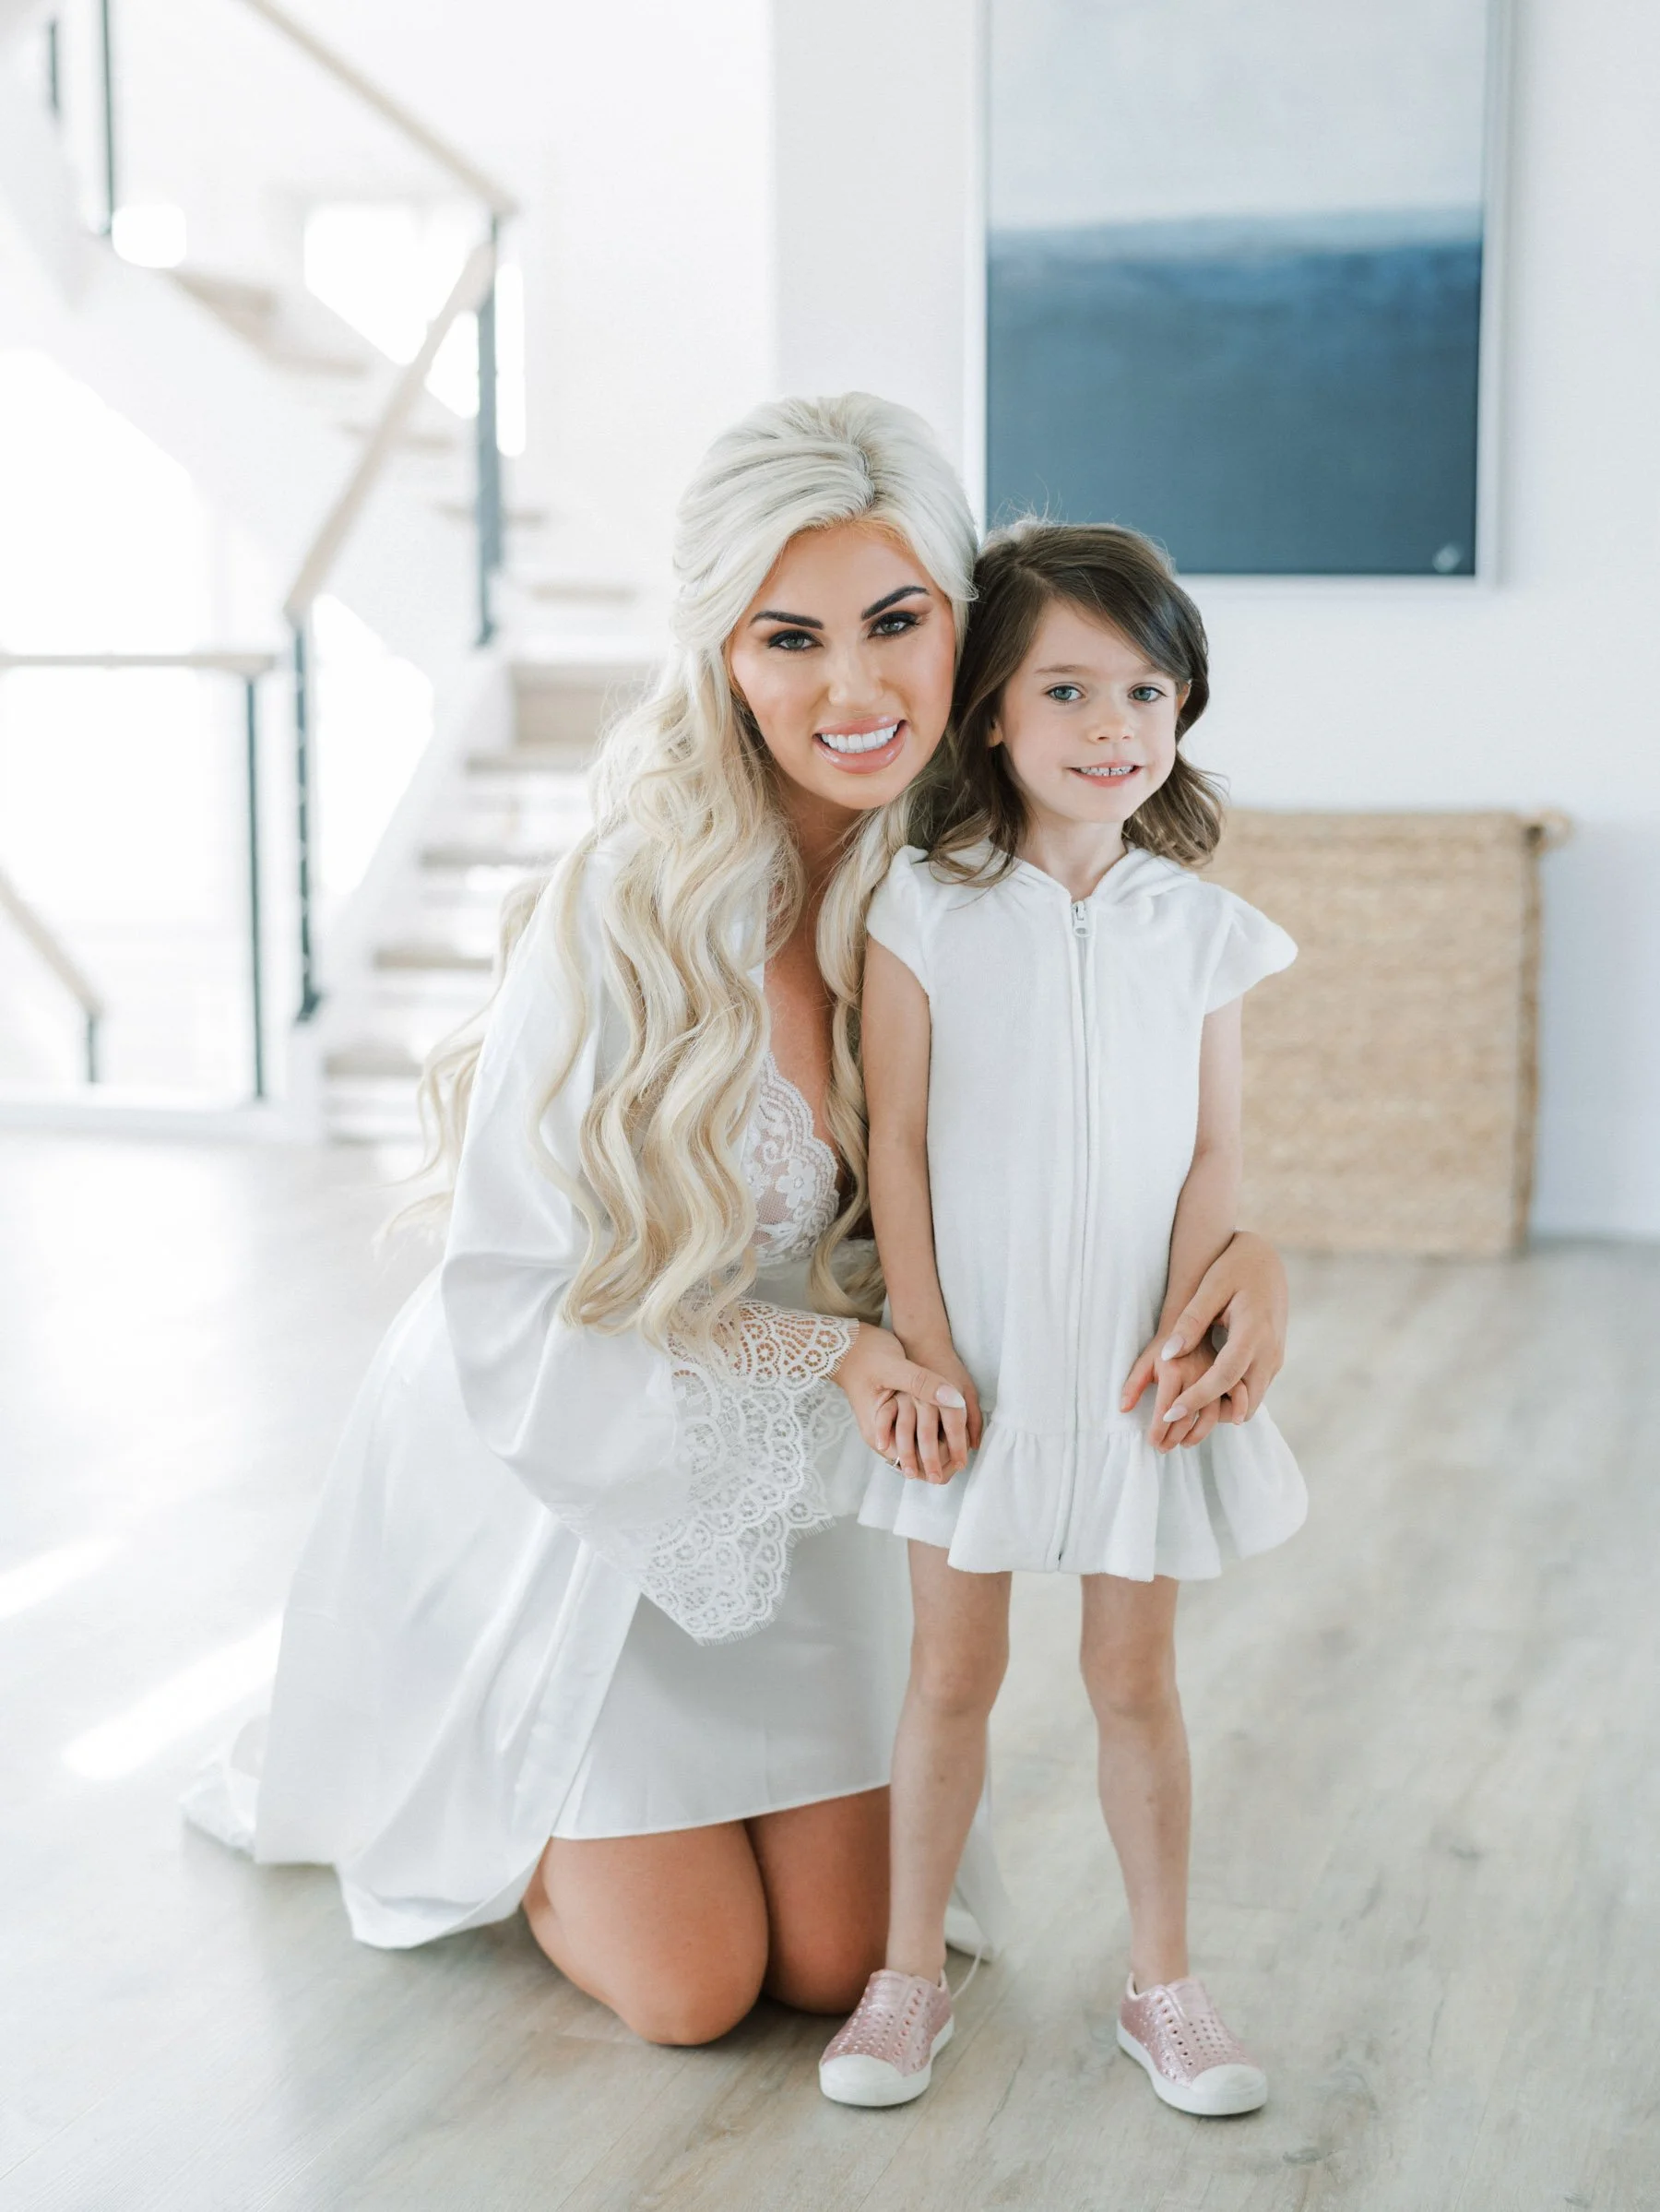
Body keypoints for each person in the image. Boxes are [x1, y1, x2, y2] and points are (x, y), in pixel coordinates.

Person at [184, 403, 1292, 2050]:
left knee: (848, 1963)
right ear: (723, 655)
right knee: (695, 1989)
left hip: (839, 1478)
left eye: (898, 624)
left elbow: (1142, 1119)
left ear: (968, 642)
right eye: (792, 638)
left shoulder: (974, 877)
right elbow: (530, 1299)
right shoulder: (623, 914)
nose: (853, 692)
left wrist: (1252, 1253)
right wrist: (833, 1346)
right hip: (592, 1461)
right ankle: (511, 1779)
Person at [819, 521, 1307, 2112]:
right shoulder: (922, 912)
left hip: (1126, 1374)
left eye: (1147, 691)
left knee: (1132, 1681)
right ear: (994, 717)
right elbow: (894, 1141)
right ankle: (905, 1983)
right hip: (977, 1365)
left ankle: (1164, 1986)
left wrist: (1186, 1330)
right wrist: (929, 1336)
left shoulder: (1202, 929)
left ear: (1183, 713)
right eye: (1071, 689)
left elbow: (1218, 1150)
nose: (1113, 728)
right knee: (949, 1677)